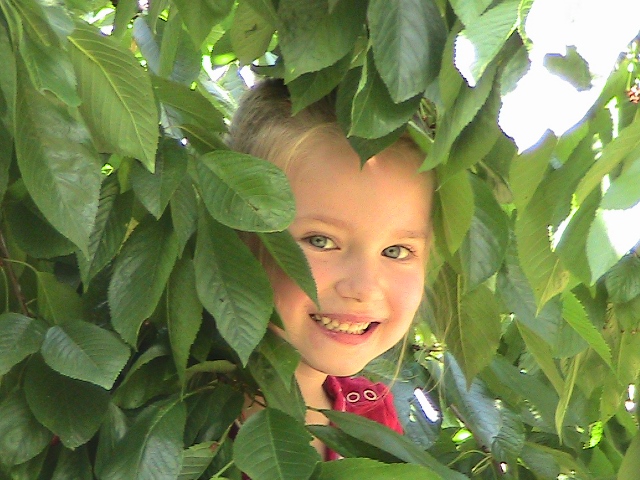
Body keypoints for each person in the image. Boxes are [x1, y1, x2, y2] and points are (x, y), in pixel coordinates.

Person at [228, 78, 435, 460]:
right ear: (237, 236)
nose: (363, 287)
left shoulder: (371, 418)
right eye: (320, 241)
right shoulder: (189, 425)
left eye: (396, 250)